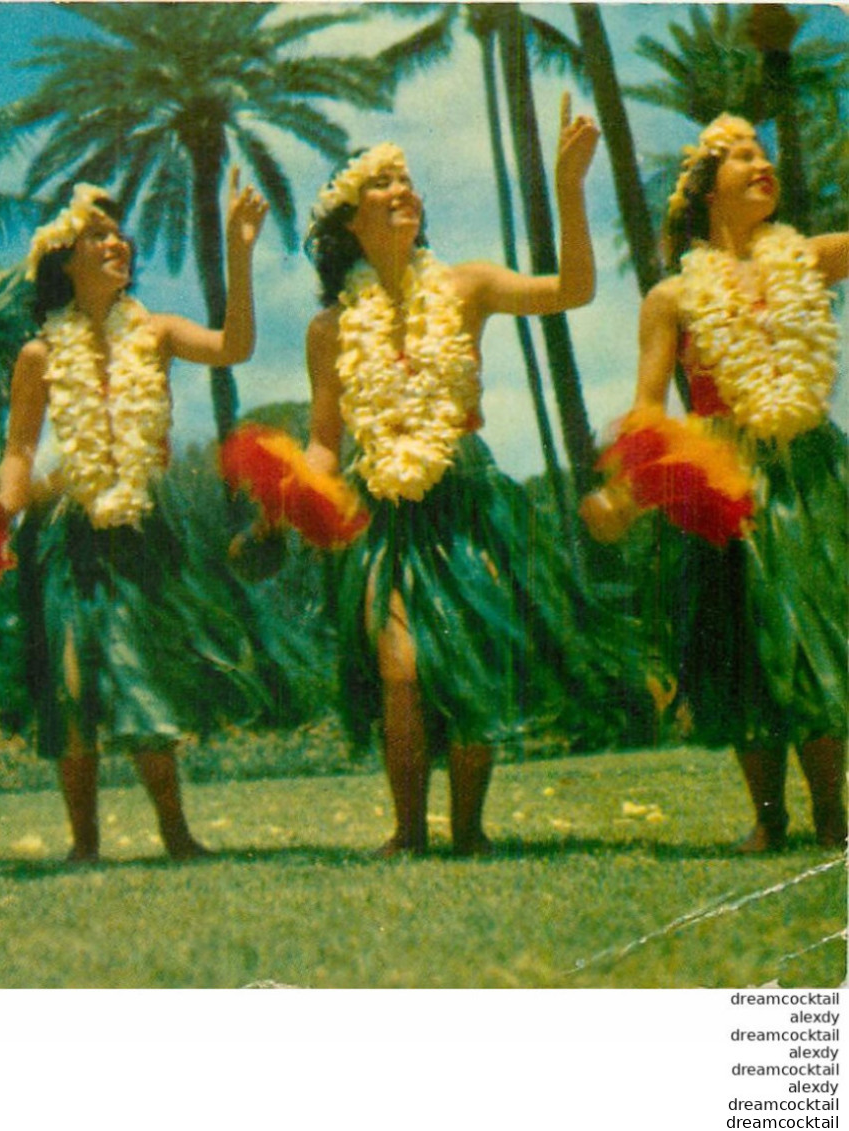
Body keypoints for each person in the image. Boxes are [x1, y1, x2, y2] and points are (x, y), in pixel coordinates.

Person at [302, 106, 600, 856]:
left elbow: (573, 289)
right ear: (348, 219)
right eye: (382, 183)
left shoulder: (467, 286)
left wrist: (568, 187)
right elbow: (323, 441)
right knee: (400, 673)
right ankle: (408, 831)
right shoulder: (331, 329)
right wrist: (296, 492)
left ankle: (467, 831)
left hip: (467, 495)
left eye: (407, 179)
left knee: (465, 663)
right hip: (386, 510)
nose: (403, 189)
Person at [0, 174, 269, 864]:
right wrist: (0, 503)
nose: (117, 243)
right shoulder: (39, 354)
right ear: (65, 259)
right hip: (70, 535)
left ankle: (175, 832)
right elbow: (20, 448)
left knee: (144, 682)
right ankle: (85, 842)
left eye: (119, 234)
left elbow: (234, 346)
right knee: (72, 682)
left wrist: (239, 252)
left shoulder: (157, 331)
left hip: (146, 532)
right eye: (98, 235)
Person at [582, 114, 847, 851]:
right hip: (719, 478)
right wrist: (624, 494)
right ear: (705, 190)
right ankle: (768, 816)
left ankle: (833, 814)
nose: (762, 163)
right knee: (739, 643)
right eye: (740, 157)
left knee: (811, 633)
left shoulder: (813, 258)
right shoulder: (672, 297)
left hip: (808, 469)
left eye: (765, 152)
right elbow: (648, 408)